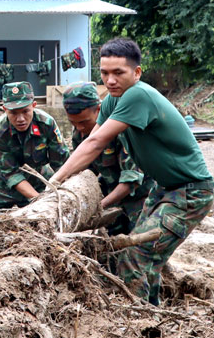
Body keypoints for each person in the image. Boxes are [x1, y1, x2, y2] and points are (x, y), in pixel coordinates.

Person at [49, 38, 214, 305]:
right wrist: (60, 185)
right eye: (104, 73)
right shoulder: (112, 102)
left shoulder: (138, 95)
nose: (110, 80)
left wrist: (53, 182)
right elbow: (90, 142)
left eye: (118, 73)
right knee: (148, 260)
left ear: (136, 73)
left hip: (190, 191)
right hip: (165, 189)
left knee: (134, 255)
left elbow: (95, 143)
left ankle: (137, 324)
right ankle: (153, 319)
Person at [62, 82, 158, 235]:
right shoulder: (80, 134)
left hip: (140, 198)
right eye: (73, 123)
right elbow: (86, 171)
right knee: (111, 247)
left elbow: (130, 181)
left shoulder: (122, 130)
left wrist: (99, 207)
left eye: (84, 122)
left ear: (99, 110)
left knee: (140, 247)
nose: (79, 128)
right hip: (111, 195)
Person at [0, 81, 70, 215]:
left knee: (51, 219)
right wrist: (39, 200)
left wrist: (57, 193)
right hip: (2, 185)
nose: (20, 119)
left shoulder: (46, 124)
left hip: (38, 181)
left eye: (25, 111)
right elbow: (11, 173)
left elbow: (61, 164)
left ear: (34, 106)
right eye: (13, 113)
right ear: (4, 110)